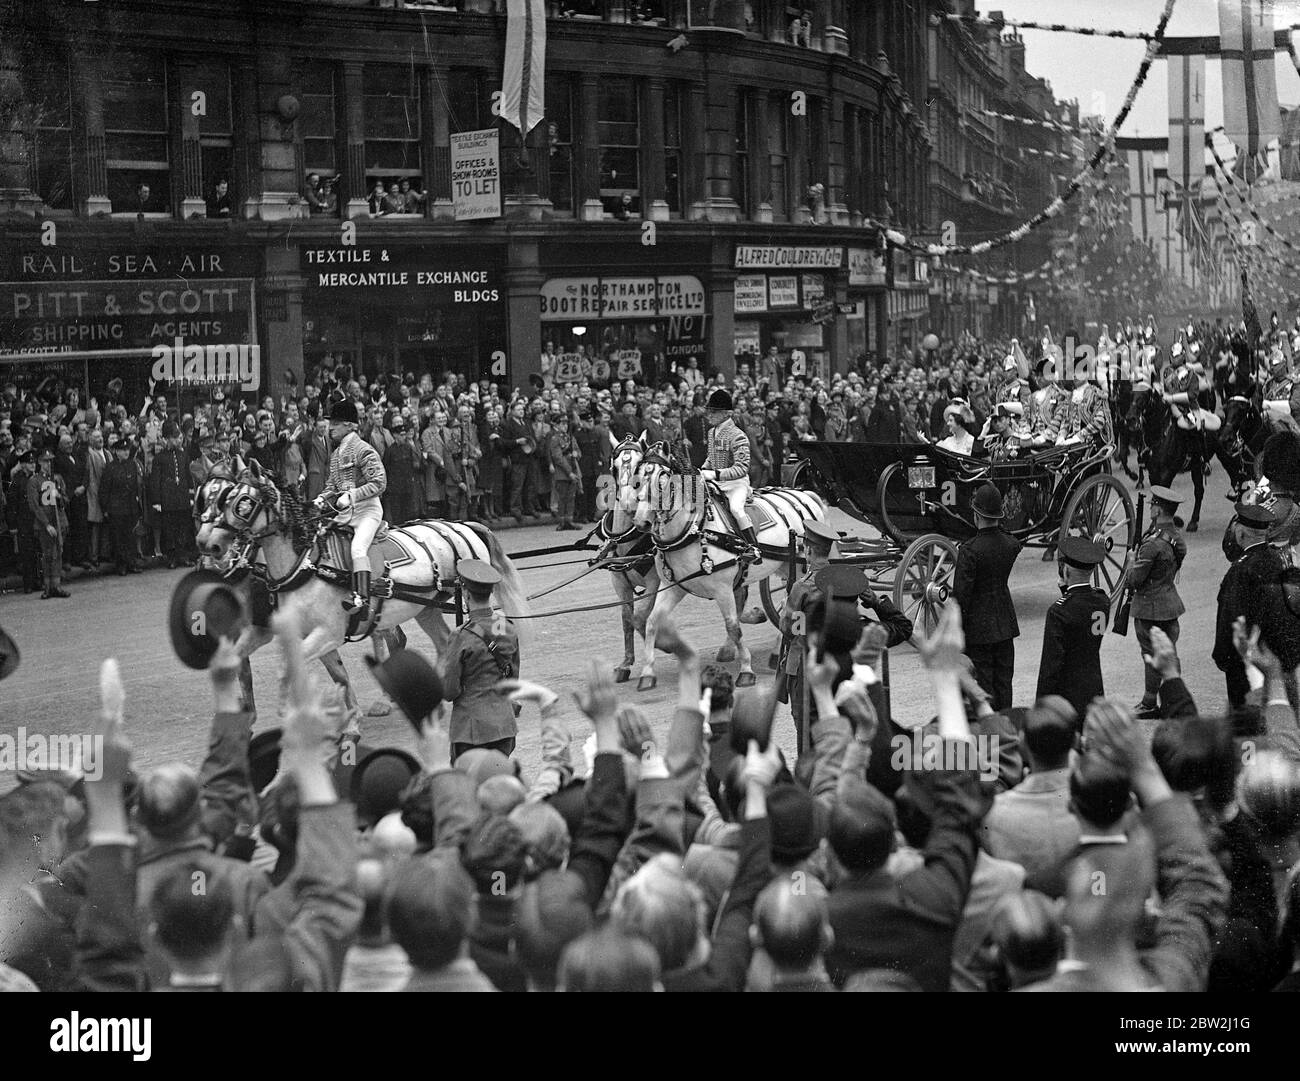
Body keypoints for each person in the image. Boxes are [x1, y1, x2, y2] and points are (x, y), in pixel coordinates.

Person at [438, 559, 521, 760]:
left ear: (465, 594)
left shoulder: (461, 635)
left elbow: (450, 690)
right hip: (504, 727)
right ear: (491, 592)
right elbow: (513, 677)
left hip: (472, 731)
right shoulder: (505, 626)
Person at [315, 397, 387, 624]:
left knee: (357, 548)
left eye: (335, 423)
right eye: (331, 423)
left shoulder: (364, 449)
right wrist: (321, 498)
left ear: (350, 425)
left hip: (367, 512)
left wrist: (352, 494)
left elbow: (379, 482)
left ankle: (362, 600)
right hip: (346, 513)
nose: (331, 427)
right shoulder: (336, 454)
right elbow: (332, 486)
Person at [952, 483, 1022, 711]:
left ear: (977, 516)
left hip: (978, 630)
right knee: (1004, 685)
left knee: (984, 689)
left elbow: (961, 598)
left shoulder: (970, 551)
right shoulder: (1011, 545)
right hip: (1004, 623)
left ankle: (990, 738)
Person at [1213, 502, 1286, 709]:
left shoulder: (1240, 570)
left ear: (1242, 534)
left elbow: (1230, 617)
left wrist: (1222, 656)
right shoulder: (1277, 560)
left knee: (1245, 718)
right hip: (1273, 654)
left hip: (1243, 659)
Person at [1034, 536, 1109, 722]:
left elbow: (1050, 665)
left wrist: (1041, 704)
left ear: (1065, 570)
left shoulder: (1058, 612)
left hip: (1067, 694)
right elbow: (1081, 613)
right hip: (1093, 685)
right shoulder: (1102, 601)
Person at [1129, 485, 1187, 720]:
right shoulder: (1176, 539)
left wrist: (1132, 560)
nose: (1151, 507)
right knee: (1170, 653)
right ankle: (1176, 700)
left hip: (1149, 607)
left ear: (1158, 509)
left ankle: (1149, 702)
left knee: (1149, 654)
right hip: (1170, 604)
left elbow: (1134, 580)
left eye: (1153, 504)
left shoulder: (1153, 543)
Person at [700, 388, 759, 564]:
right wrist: (703, 468)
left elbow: (741, 468)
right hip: (714, 480)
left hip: (736, 484)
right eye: (709, 410)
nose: (709, 415)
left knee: (736, 509)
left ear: (727, 413)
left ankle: (752, 548)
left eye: (714, 411)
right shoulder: (712, 432)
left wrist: (715, 474)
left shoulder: (738, 436)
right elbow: (712, 456)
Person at [149, 419, 195, 568]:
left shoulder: (183, 455)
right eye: (174, 438)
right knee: (169, 530)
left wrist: (190, 496)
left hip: (181, 498)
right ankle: (172, 557)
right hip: (168, 499)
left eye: (178, 437)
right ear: (167, 439)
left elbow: (188, 477)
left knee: (183, 528)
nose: (178, 440)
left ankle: (183, 555)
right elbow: (155, 481)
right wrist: (157, 501)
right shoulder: (159, 458)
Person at [28, 447, 69, 599]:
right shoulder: (34, 481)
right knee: (47, 555)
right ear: (39, 462)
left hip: (59, 521)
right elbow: (34, 505)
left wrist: (59, 497)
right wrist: (46, 524)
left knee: (57, 554)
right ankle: (47, 588)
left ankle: (56, 586)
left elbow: (66, 500)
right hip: (44, 524)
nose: (48, 464)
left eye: (50, 461)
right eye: (45, 461)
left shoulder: (56, 479)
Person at [99, 435, 143, 575]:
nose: (126, 453)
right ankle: (121, 565)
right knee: (118, 538)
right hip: (116, 508)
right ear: (116, 451)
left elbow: (135, 486)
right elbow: (104, 489)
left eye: (127, 450)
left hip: (130, 506)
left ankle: (131, 563)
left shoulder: (131, 464)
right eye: (123, 450)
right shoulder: (110, 467)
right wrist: (105, 508)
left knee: (130, 537)